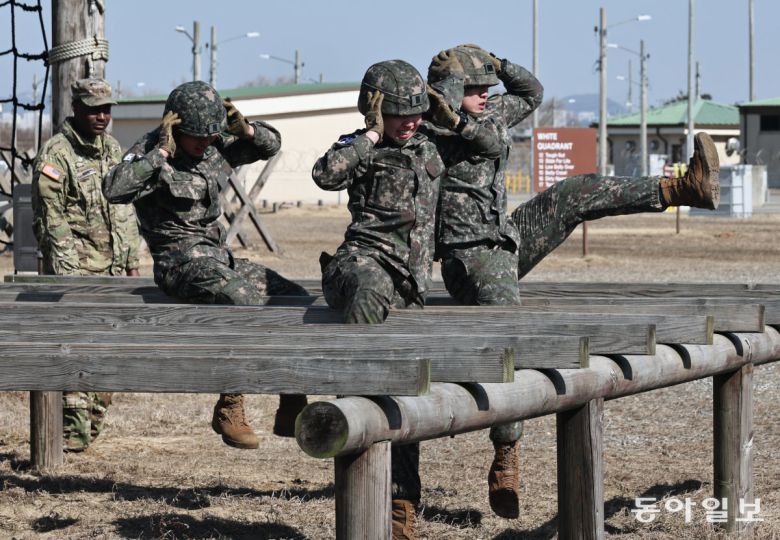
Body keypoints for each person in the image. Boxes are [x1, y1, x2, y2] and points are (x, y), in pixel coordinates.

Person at [424, 44, 721, 519]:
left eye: (487, 87)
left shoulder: (491, 109)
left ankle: (681, 187)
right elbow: (430, 191)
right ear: (449, 93)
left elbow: (532, 91)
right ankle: (506, 453)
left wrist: (497, 63)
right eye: (474, 88)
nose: (485, 94)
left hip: (505, 238)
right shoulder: (429, 131)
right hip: (469, 260)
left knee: (573, 192)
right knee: (506, 343)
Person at [103, 81, 308, 450]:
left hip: (216, 257)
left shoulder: (215, 146)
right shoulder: (154, 149)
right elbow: (114, 188)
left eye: (211, 136)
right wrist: (158, 156)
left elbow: (271, 144)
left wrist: (245, 130)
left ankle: (291, 396)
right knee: (242, 299)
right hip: (177, 262)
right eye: (196, 136)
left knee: (294, 297)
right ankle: (231, 404)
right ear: (176, 129)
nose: (204, 144)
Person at [312, 59, 444, 540]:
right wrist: (368, 137)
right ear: (374, 110)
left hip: (409, 286)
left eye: (416, 111)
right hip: (361, 267)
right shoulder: (360, 147)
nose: (409, 121)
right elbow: (325, 174)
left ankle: (401, 504)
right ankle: (351, 420)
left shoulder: (431, 145)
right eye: (398, 113)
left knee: (403, 393)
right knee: (371, 379)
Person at [31, 77, 141, 452]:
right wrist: (70, 279)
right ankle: (69, 437)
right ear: (75, 108)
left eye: (107, 109)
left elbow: (124, 208)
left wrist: (131, 261)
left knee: (108, 355)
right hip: (77, 275)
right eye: (94, 109)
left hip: (112, 273)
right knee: (76, 353)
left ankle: (88, 430)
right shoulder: (56, 154)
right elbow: (52, 220)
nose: (102, 116)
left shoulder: (111, 149)